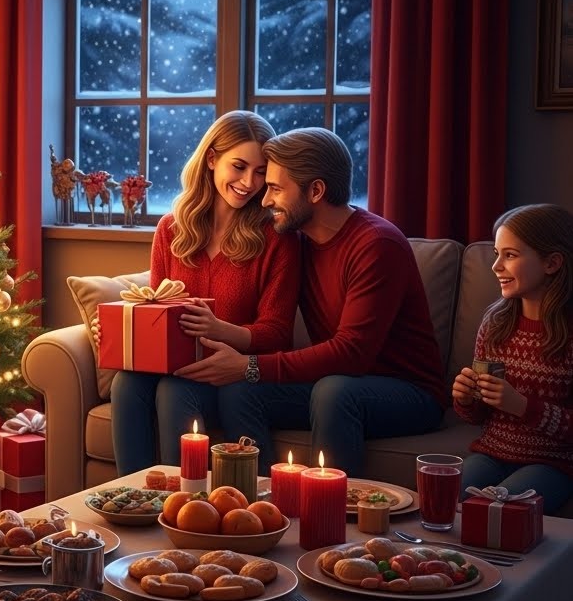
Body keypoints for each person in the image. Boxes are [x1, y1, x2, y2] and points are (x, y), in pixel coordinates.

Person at [177, 127, 446, 476]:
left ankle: (331, 505)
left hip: (409, 394)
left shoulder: (377, 245)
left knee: (334, 391)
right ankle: (260, 498)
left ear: (316, 191)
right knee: (240, 391)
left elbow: (351, 353)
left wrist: (250, 365)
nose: (264, 200)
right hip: (336, 383)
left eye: (275, 188)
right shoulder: (298, 243)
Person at [109, 110, 301, 474]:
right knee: (126, 383)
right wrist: (121, 331)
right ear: (212, 159)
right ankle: (130, 494)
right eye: (239, 166)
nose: (249, 182)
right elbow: (156, 309)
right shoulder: (171, 229)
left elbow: (277, 332)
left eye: (261, 172)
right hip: (176, 365)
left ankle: (182, 500)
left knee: (174, 391)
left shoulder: (277, 238)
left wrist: (218, 330)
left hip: (230, 376)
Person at [452, 204, 573, 509]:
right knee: (441, 494)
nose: (496, 266)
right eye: (497, 254)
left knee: (499, 512)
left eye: (510, 255)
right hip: (492, 454)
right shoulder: (496, 323)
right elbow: (478, 417)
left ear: (552, 263)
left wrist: (522, 406)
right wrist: (467, 399)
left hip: (552, 463)